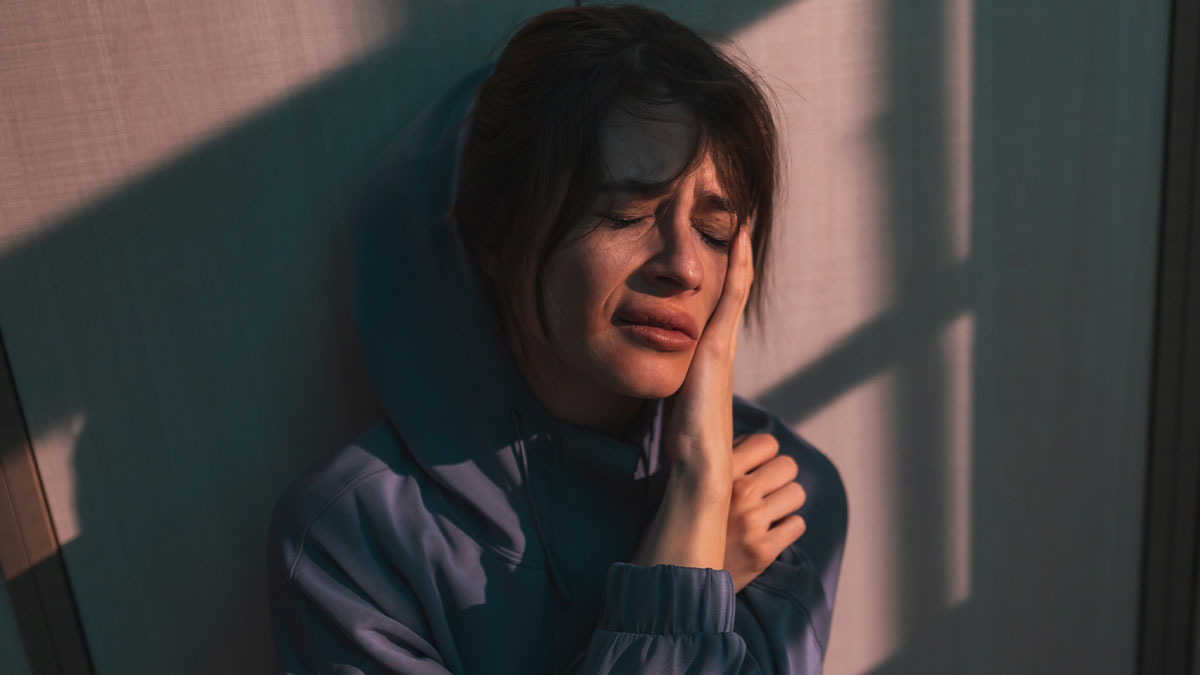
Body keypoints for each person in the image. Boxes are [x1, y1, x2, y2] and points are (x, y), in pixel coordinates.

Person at [266, 5, 847, 674]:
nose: (684, 266)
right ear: (495, 233)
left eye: (715, 234)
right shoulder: (353, 543)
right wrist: (689, 556)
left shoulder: (781, 501)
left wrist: (704, 482)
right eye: (627, 213)